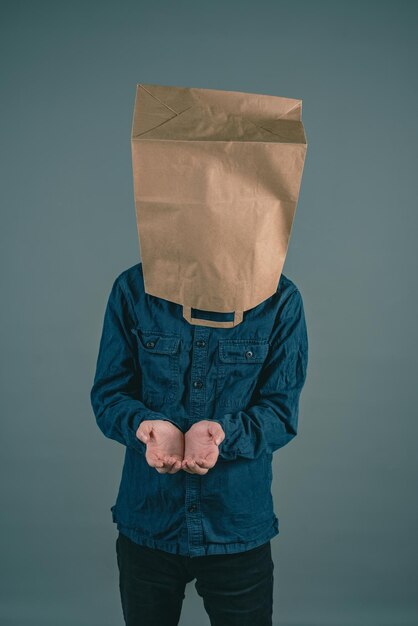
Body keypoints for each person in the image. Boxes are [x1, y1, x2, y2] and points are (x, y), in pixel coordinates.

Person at [90, 260, 308, 626]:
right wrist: (145, 426)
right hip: (149, 520)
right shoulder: (133, 289)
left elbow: (281, 413)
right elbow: (109, 394)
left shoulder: (279, 298)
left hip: (236, 525)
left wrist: (224, 434)